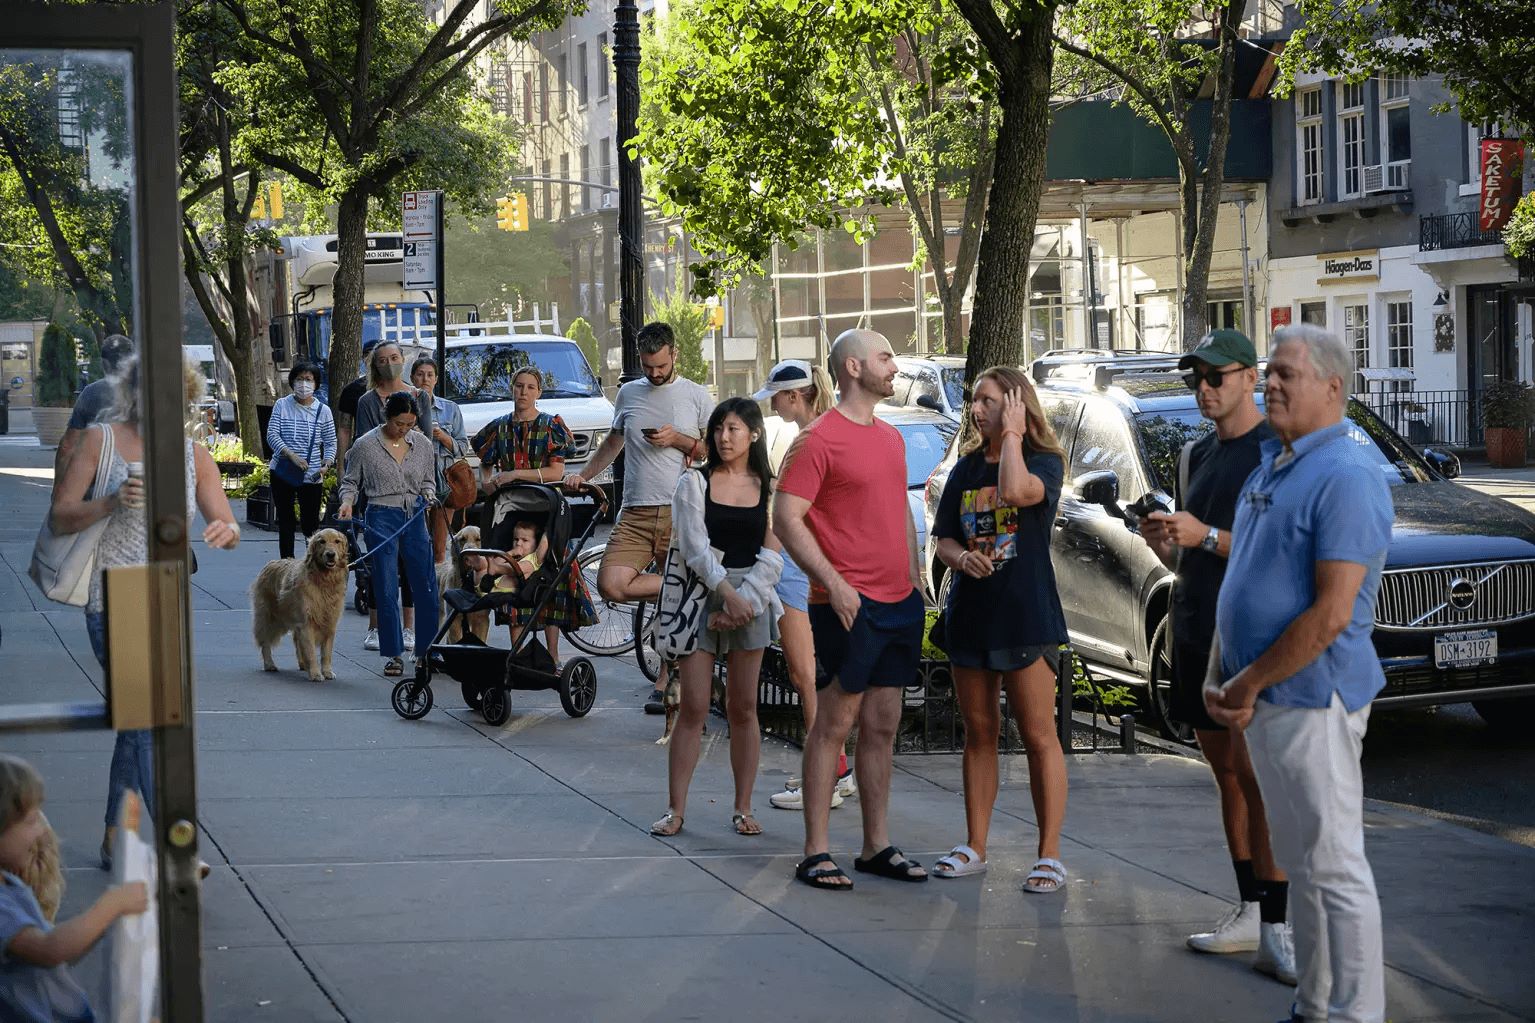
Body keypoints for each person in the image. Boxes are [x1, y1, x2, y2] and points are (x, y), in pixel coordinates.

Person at [1205, 324, 1394, 1023]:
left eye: (1287, 373)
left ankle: (1353, 1012)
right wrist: (1218, 670)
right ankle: (1314, 1002)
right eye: (1269, 371)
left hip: (1315, 697)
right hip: (1266, 698)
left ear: (1332, 387)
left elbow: (1331, 612)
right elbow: (1246, 581)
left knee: (1334, 864)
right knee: (1303, 862)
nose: (1272, 383)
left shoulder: (1345, 474)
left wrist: (1246, 681)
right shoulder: (1275, 464)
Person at [1137, 330, 1293, 980]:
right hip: (1196, 628)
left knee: (1260, 781)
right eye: (1194, 378)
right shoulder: (1196, 452)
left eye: (1216, 376)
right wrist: (1163, 540)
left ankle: (1280, 925)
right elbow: (1186, 554)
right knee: (1225, 775)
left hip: (1249, 638)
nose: (1204, 389)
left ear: (1250, 376)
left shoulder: (1274, 452)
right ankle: (1249, 910)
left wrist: (1207, 536)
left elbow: (1281, 549)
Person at [48, 357, 241, 868]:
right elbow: (62, 515)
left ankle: (116, 836)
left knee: (139, 724)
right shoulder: (100, 441)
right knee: (150, 721)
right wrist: (111, 501)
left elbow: (223, 514)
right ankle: (178, 848)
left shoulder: (193, 455)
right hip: (111, 594)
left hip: (164, 597)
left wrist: (225, 530)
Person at [774, 329, 928, 891]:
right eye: (886, 357)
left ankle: (875, 845)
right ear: (854, 367)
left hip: (899, 604)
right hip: (846, 606)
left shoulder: (891, 438)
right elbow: (787, 517)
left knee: (883, 725)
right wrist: (833, 585)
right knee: (833, 724)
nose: (895, 366)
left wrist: (914, 580)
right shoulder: (818, 439)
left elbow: (896, 514)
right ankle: (816, 851)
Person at [929, 366, 1071, 893]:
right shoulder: (966, 468)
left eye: (990, 401)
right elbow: (943, 537)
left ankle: (1049, 854)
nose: (976, 409)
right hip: (972, 615)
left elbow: (1014, 490)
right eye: (975, 401)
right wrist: (961, 557)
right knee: (980, 732)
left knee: (1038, 734)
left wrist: (1011, 434)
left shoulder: (1045, 463)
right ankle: (975, 845)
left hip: (1025, 614)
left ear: (1016, 405)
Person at [650, 397, 783, 839]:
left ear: (754, 435)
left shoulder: (770, 486)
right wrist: (726, 595)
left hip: (752, 598)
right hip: (702, 597)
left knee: (744, 707)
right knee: (692, 706)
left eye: (734, 430)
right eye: (719, 429)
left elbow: (773, 553)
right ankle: (675, 809)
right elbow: (694, 547)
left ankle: (743, 808)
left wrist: (745, 601)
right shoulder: (694, 482)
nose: (724, 438)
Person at [563, 322, 713, 714]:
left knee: (668, 598)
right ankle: (681, 590)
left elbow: (715, 450)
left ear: (674, 354)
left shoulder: (696, 396)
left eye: (660, 365)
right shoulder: (628, 393)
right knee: (611, 584)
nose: (654, 373)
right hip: (634, 510)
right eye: (648, 366)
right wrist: (585, 474)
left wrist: (678, 440)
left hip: (681, 510)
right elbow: (614, 441)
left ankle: (666, 680)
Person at [754, 360, 856, 812]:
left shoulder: (808, 442)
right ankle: (841, 770)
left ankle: (826, 778)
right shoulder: (830, 432)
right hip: (824, 565)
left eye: (777, 396)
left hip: (801, 569)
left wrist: (767, 562)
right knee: (821, 674)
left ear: (795, 397)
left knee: (806, 676)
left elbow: (787, 515)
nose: (773, 405)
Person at [0, 754, 149, 1023]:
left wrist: (106, 921)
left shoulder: (9, 885)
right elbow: (49, 950)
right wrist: (111, 904)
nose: (40, 833)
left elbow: (56, 956)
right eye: (32, 821)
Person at [472, 366, 597, 666]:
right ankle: (517, 655)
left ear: (539, 392)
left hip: (546, 512)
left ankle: (552, 657)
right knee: (514, 580)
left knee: (549, 582)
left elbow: (557, 471)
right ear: (512, 389)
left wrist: (514, 473)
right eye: (519, 386)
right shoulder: (500, 427)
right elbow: (484, 461)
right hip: (511, 513)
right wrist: (488, 480)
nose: (523, 392)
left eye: (530, 387)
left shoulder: (549, 424)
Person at [337, 391, 441, 678]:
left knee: (425, 584)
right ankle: (393, 653)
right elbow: (350, 482)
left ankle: (425, 650)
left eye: (409, 424)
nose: (404, 429)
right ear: (387, 417)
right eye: (399, 423)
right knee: (384, 584)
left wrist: (429, 494)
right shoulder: (365, 445)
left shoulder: (422, 444)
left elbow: (429, 480)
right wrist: (347, 503)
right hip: (381, 513)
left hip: (416, 514)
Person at [353, 343, 435, 653]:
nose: (390, 364)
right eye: (383, 360)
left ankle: (414, 632)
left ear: (403, 361)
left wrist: (428, 489)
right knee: (383, 571)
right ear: (375, 365)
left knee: (418, 570)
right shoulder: (366, 402)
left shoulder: (420, 397)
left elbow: (425, 442)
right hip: (379, 496)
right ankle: (381, 632)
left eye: (395, 358)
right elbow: (361, 449)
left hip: (414, 496)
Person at [266, 361, 337, 560]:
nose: (303, 384)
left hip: (312, 475)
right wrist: (290, 454)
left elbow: (331, 442)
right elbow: (272, 434)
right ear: (292, 382)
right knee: (286, 521)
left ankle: (311, 564)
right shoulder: (282, 404)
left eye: (308, 379)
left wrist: (326, 464)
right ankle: (286, 565)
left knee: (310, 525)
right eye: (299, 379)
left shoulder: (323, 410)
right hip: (283, 471)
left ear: (315, 383)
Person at [409, 356, 467, 563]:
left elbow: (462, 448)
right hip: (413, 484)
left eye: (430, 375)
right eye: (420, 374)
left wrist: (443, 436)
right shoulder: (404, 406)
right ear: (412, 378)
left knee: (440, 549)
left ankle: (438, 591)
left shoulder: (450, 409)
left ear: (436, 380)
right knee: (418, 546)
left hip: (444, 483)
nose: (425, 379)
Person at [54, 332, 134, 476]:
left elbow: (68, 445)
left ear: (104, 363)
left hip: (98, 482)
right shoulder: (148, 391)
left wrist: (58, 488)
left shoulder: (91, 393)